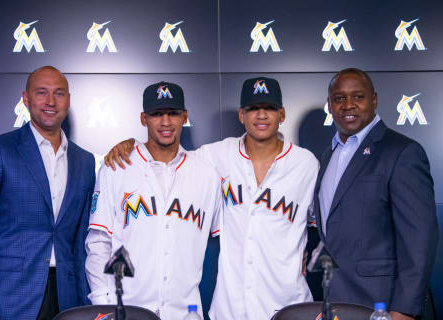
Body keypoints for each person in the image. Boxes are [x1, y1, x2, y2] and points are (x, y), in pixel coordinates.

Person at [104, 77, 319, 319]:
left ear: (282, 114)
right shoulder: (213, 157)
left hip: (288, 303)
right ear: (241, 114)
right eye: (253, 108)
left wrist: (305, 253)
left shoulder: (306, 164)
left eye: (269, 108)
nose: (261, 115)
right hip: (231, 308)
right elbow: (167, 154)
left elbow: (324, 226)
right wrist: (131, 145)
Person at [0, 66, 95, 320]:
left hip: (68, 300)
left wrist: (85, 303)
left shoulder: (85, 161)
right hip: (10, 297)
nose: (50, 101)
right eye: (41, 93)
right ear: (25, 99)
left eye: (59, 93)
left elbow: (81, 243)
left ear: (68, 100)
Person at [85, 81, 222, 320]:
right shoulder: (116, 168)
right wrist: (103, 305)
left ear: (185, 117)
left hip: (185, 313)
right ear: (143, 118)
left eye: (173, 113)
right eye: (157, 114)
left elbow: (233, 240)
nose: (166, 122)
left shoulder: (206, 174)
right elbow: (98, 243)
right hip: (127, 310)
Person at [314, 68, 438, 320]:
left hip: (381, 306)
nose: (348, 105)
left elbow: (419, 241)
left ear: (374, 100)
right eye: (339, 98)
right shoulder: (329, 155)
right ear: (329, 105)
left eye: (358, 97)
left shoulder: (402, 152)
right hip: (335, 303)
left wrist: (404, 310)